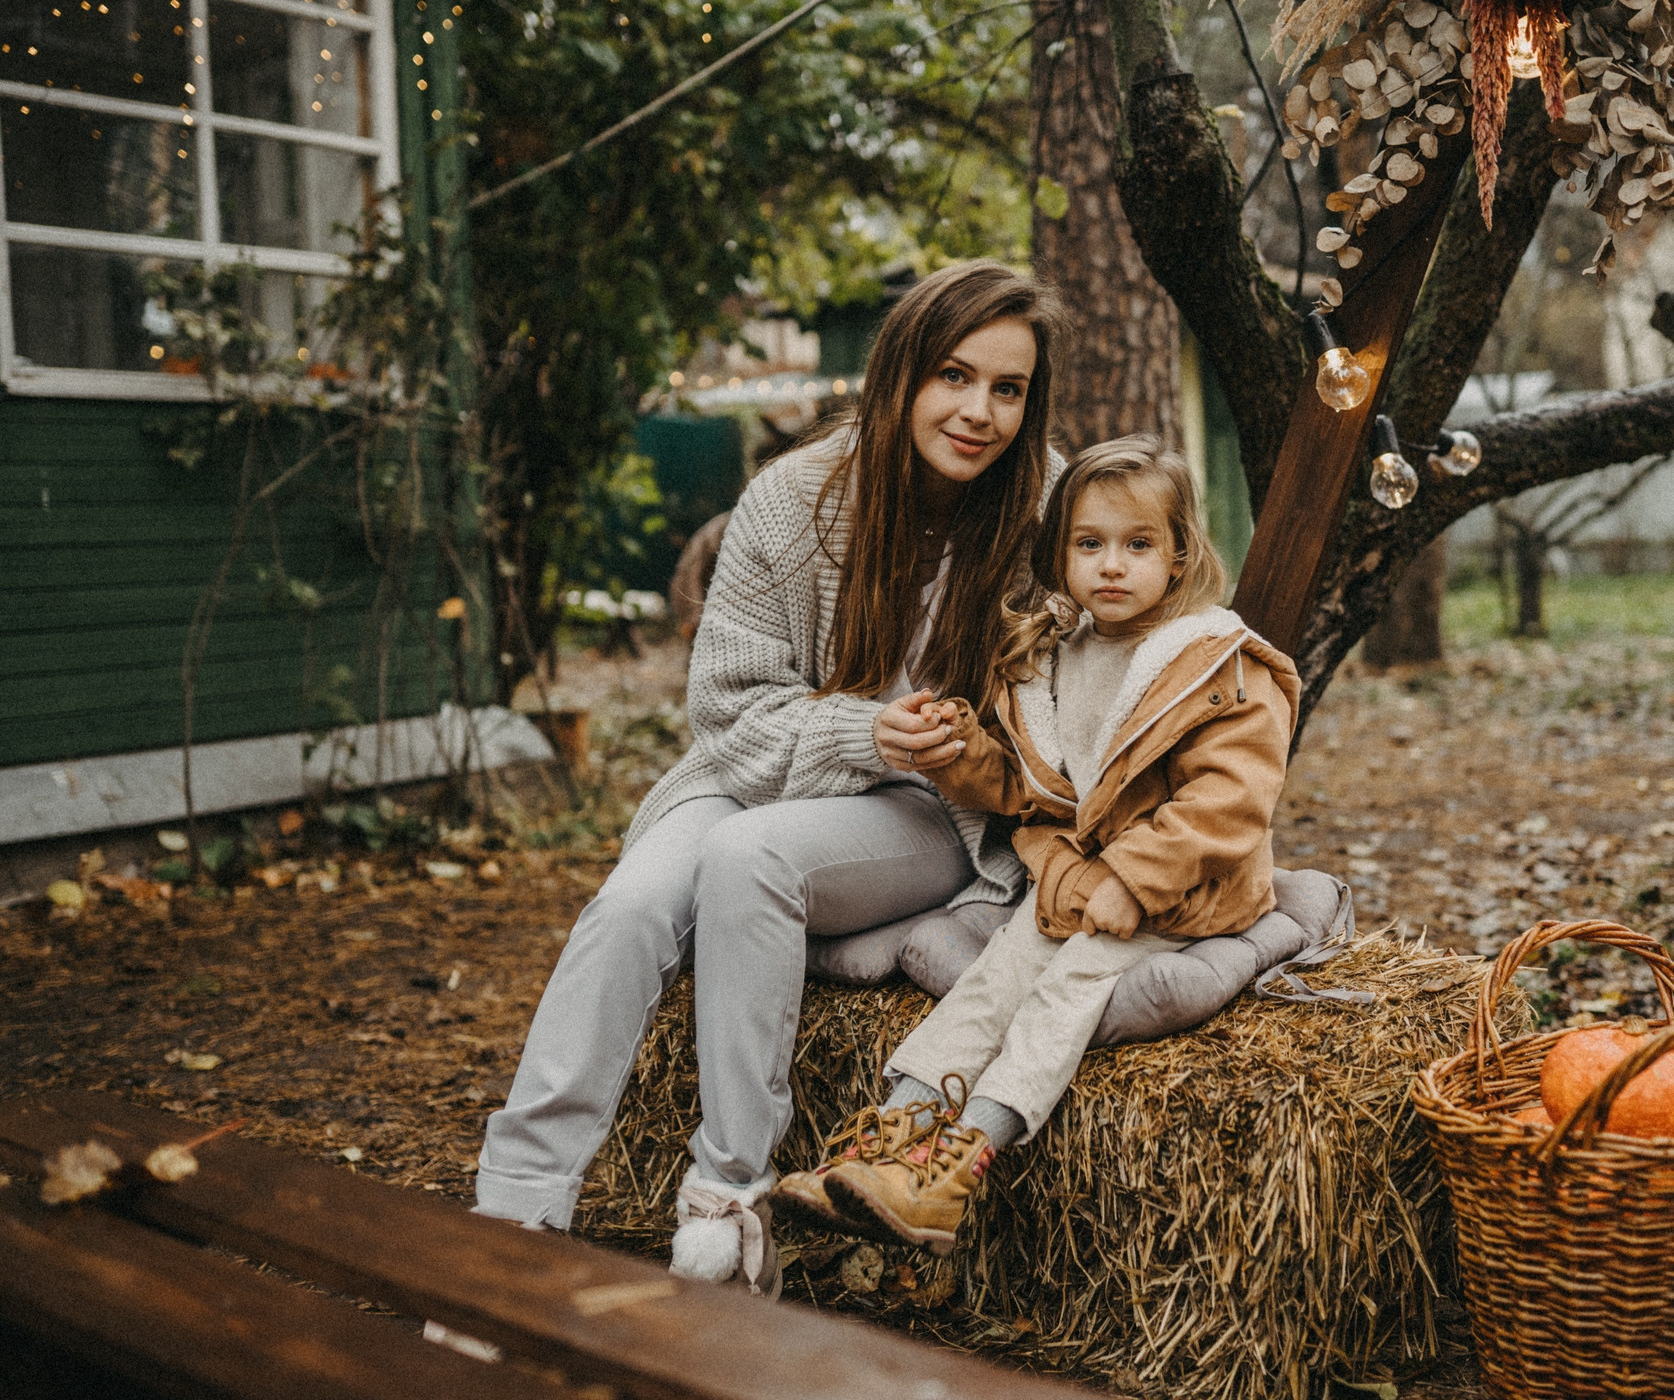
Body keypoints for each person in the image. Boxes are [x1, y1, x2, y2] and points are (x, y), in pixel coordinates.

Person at [473, 262, 1070, 1296]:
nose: (978, 411)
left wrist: (966, 750)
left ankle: (727, 1205)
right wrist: (865, 730)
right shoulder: (799, 498)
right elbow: (728, 709)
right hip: (761, 771)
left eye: (1008, 388)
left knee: (752, 858)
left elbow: (1074, 717)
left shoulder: (1047, 509)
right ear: (899, 375)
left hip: (932, 810)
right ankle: (512, 1218)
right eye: (953, 376)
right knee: (627, 909)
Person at [771, 435, 1299, 1255]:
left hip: (1182, 890)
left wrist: (1132, 878)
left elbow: (1229, 803)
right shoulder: (1053, 658)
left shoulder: (1215, 664)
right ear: (1060, 555)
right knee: (990, 984)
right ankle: (891, 1139)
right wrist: (962, 754)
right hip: (1076, 883)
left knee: (1063, 996)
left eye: (1138, 545)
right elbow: (1032, 792)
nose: (1112, 566)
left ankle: (957, 1168)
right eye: (1090, 545)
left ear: (1180, 554)